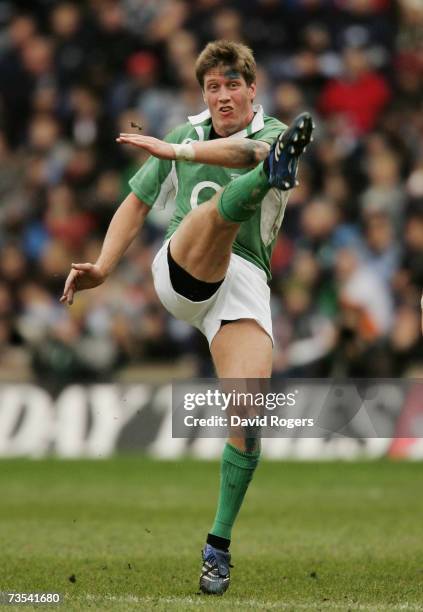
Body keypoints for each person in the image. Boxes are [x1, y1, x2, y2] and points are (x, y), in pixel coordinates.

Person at [60, 40, 313, 595]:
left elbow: (245, 154)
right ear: (204, 93)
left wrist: (180, 156)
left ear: (252, 89)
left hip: (244, 285)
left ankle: (217, 548)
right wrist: (103, 265)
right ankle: (271, 179)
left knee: (248, 417)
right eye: (212, 88)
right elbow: (136, 202)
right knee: (210, 216)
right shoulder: (185, 135)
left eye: (232, 86)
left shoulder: (270, 134)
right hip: (183, 267)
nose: (222, 96)